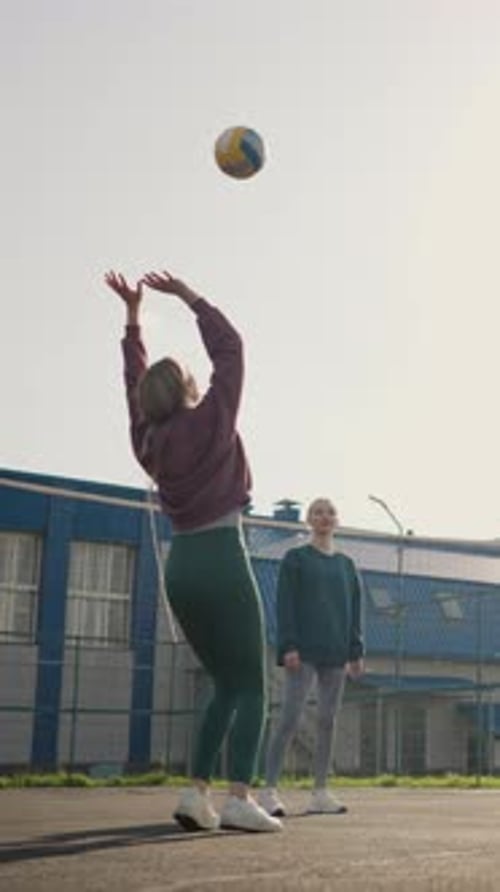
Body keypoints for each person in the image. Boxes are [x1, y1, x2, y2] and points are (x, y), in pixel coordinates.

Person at [105, 268, 282, 833]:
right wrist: (187, 297)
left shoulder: (148, 439)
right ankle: (239, 797)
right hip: (222, 554)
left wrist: (134, 321)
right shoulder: (212, 419)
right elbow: (231, 348)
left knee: (223, 683)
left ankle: (195, 794)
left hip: (180, 566)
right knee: (252, 682)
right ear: (188, 390)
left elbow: (135, 383)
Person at [259, 497, 365, 817]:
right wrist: (288, 645)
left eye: (330, 511)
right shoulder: (296, 559)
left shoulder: (347, 565)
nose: (324, 517)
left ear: (337, 520)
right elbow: (285, 604)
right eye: (318, 512)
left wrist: (355, 651)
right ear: (308, 520)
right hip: (302, 651)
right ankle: (268, 791)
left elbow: (355, 611)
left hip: (336, 653)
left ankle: (320, 792)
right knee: (290, 718)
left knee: (327, 721)